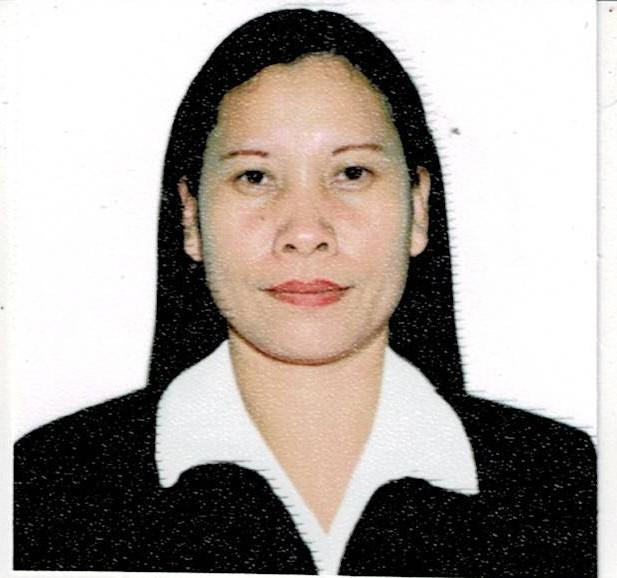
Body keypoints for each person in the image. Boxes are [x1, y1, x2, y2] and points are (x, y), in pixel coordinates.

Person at [13, 8, 596, 576]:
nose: (306, 232)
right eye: (255, 177)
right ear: (190, 217)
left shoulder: (570, 486)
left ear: (418, 207)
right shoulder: (45, 488)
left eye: (352, 173)